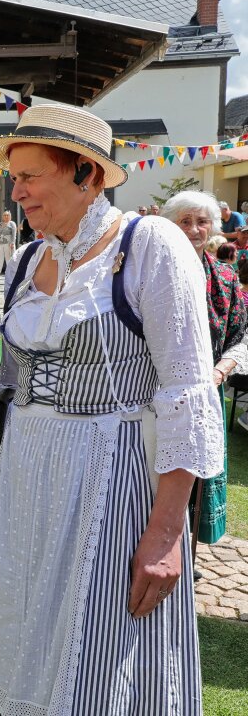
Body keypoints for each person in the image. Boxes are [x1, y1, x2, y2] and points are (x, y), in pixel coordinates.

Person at [0, 104, 223, 716]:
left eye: (30, 176)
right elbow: (13, 383)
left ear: (87, 176)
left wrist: (164, 532)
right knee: (13, 633)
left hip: (108, 478)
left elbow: (186, 392)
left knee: (99, 653)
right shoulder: (25, 260)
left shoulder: (147, 245)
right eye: (14, 177)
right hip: (22, 480)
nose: (15, 191)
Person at [161, 192, 246, 539]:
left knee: (197, 479)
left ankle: (187, 554)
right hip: (157, 395)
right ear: (170, 226)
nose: (194, 229)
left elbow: (242, 336)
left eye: (202, 222)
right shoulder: (152, 273)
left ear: (213, 227)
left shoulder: (226, 280)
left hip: (206, 393)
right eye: (185, 221)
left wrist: (218, 372)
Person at [0, 210, 18, 276]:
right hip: (0, 243)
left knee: (8, 259)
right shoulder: (0, 224)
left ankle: (9, 273)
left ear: (10, 216)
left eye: (7, 215)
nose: (6, 217)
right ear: (2, 216)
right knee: (0, 259)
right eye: (5, 215)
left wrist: (12, 243)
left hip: (8, 243)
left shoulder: (12, 223)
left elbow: (14, 234)